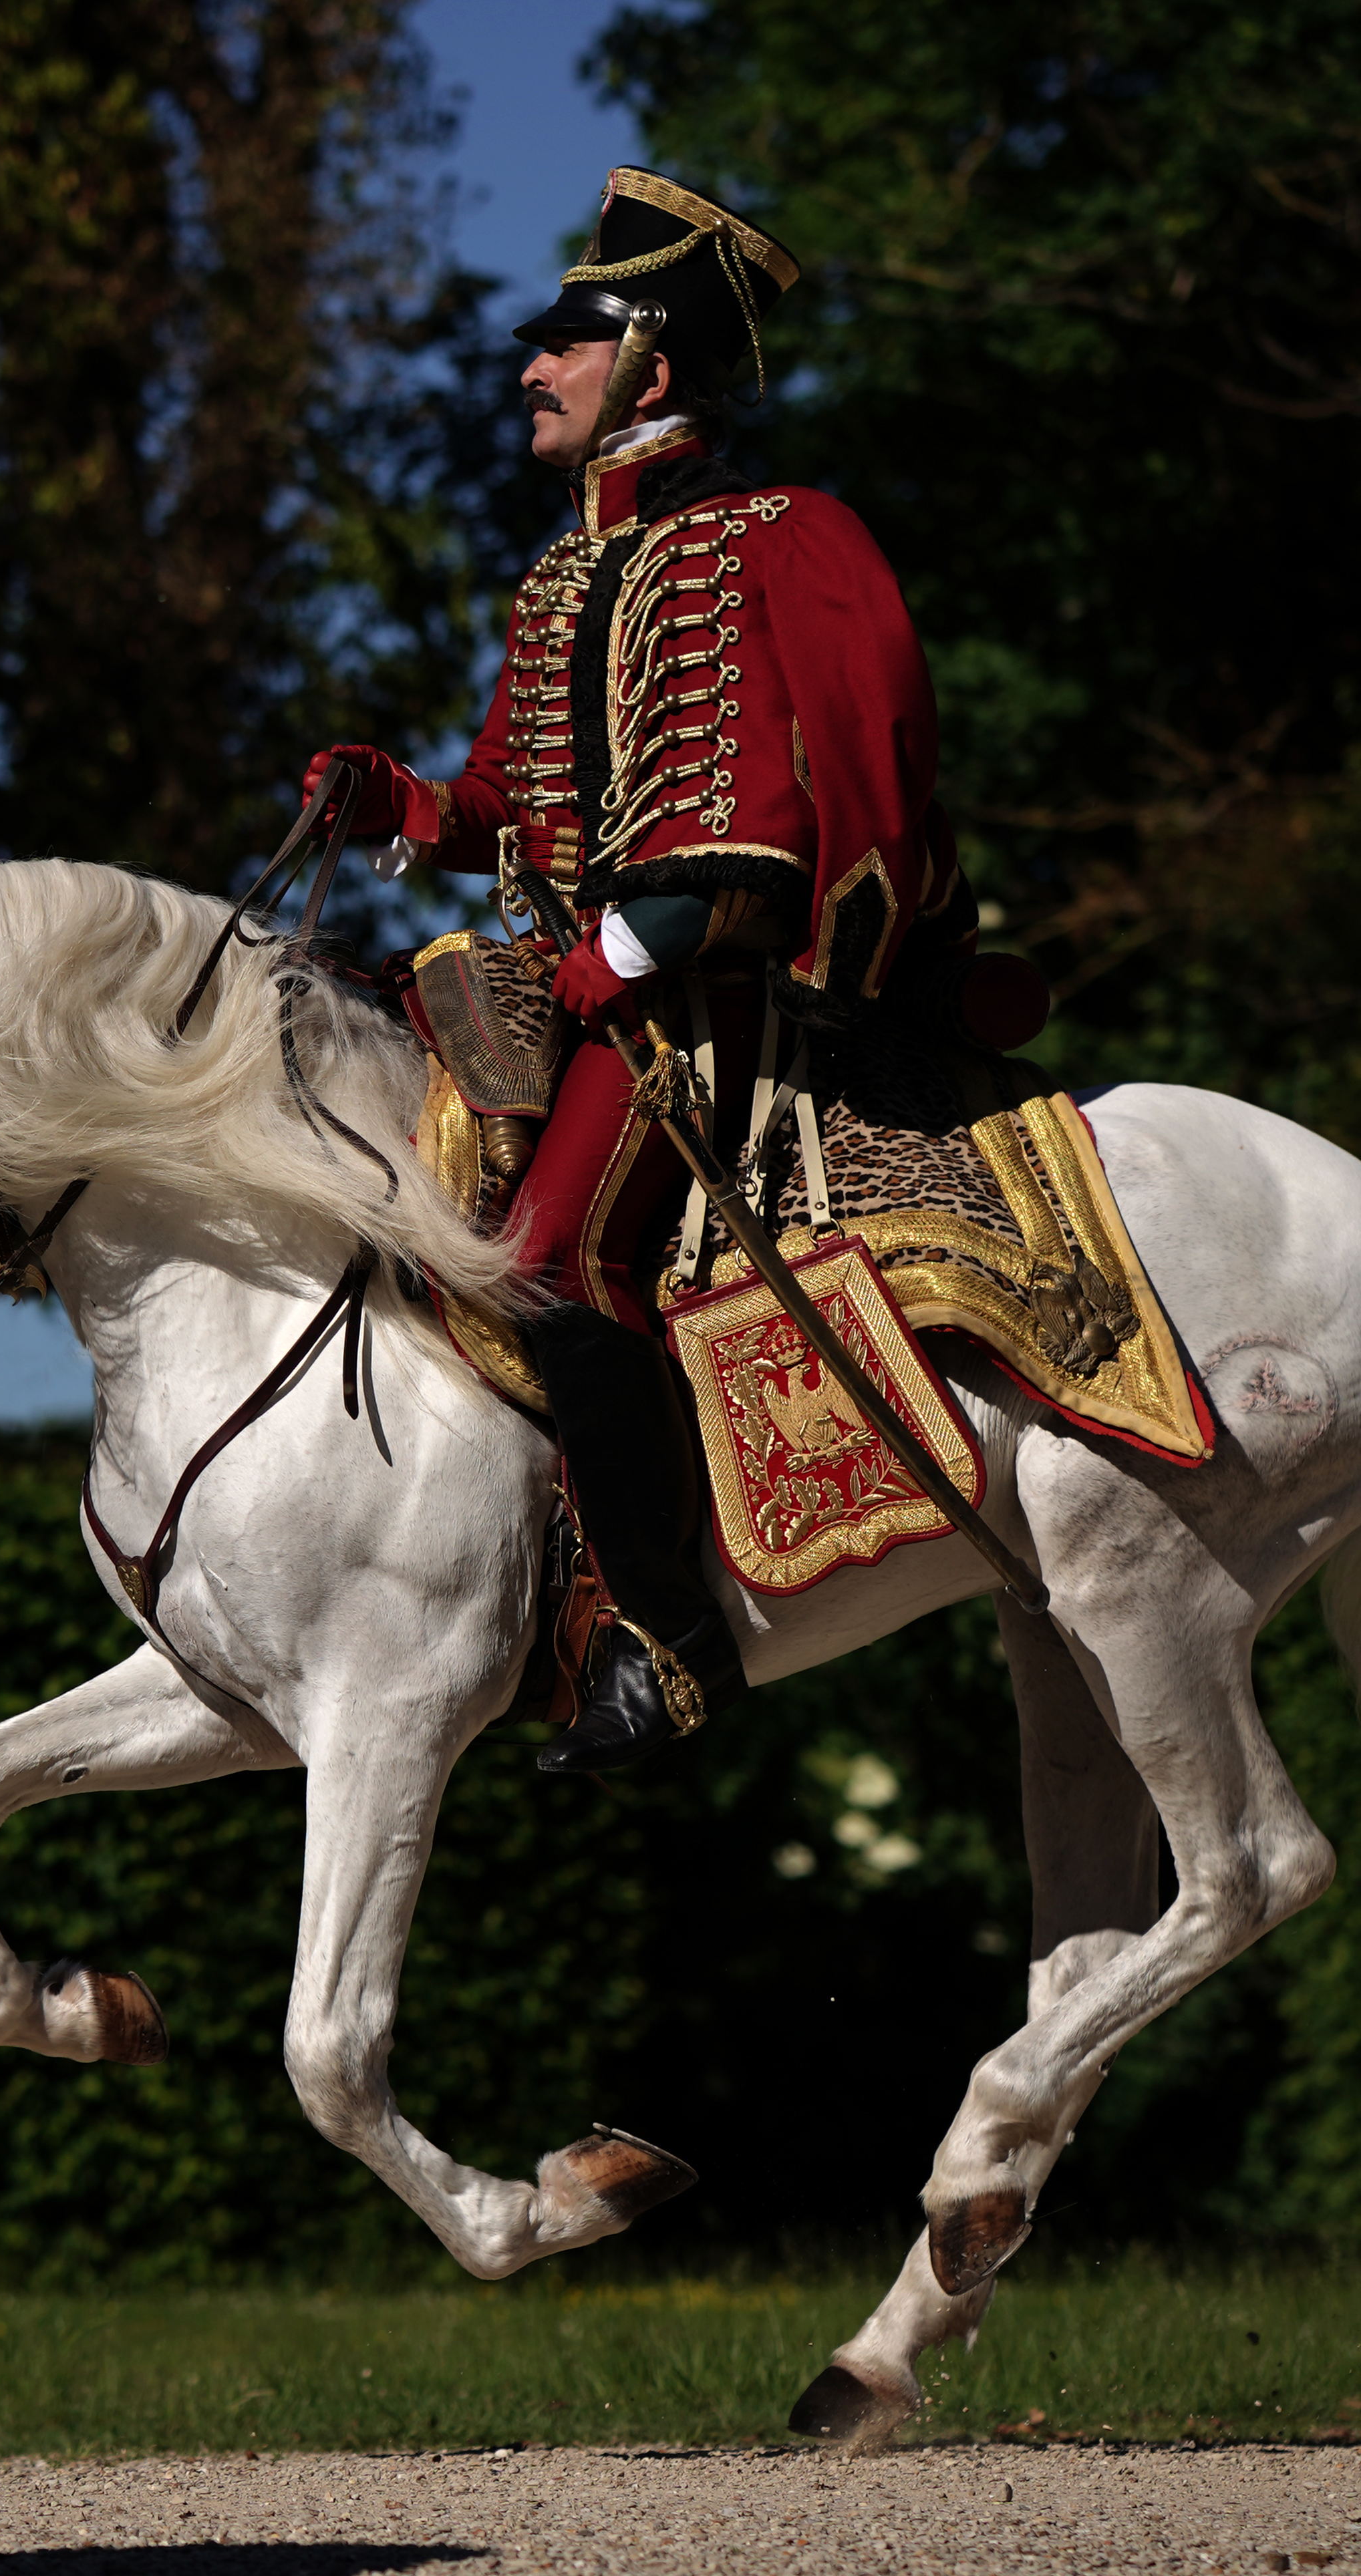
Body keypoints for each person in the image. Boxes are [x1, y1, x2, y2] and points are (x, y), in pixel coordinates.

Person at [305, 167, 975, 1775]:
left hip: (707, 1003)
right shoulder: (553, 575)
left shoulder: (773, 537)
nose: (528, 369)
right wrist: (399, 804)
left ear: (650, 367)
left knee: (537, 1267)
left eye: (562, 344)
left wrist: (622, 943)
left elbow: (758, 822)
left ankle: (665, 1641)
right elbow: (510, 808)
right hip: (579, 977)